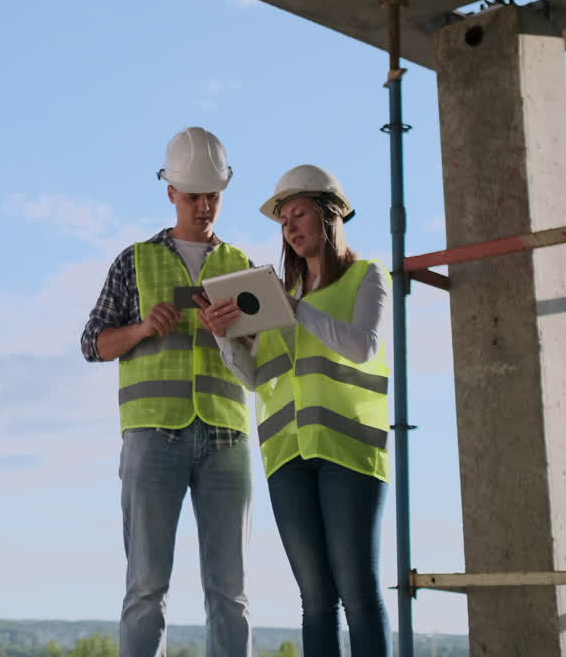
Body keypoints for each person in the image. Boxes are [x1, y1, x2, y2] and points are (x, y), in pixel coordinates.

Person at [196, 164, 391, 657]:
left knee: (357, 592)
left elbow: (363, 346)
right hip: (286, 456)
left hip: (348, 451)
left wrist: (295, 306)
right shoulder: (276, 297)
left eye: (298, 214)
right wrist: (225, 339)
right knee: (315, 599)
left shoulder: (367, 276)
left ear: (328, 216)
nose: (290, 227)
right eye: (283, 221)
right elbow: (257, 376)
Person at [80, 127, 253, 657]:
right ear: (171, 192)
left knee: (229, 593)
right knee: (147, 588)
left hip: (226, 439)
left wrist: (228, 334)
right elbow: (93, 343)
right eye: (195, 195)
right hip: (154, 438)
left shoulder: (243, 267)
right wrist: (141, 330)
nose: (205, 206)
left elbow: (261, 364)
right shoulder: (134, 261)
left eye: (213, 196)